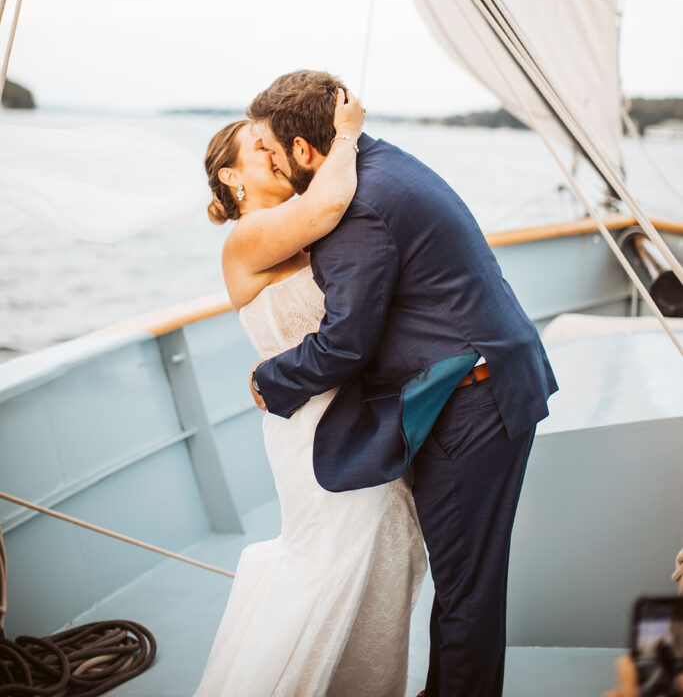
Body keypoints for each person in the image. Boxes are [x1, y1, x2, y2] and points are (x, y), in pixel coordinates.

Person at [248, 69, 559, 697]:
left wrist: (269, 378)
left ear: (305, 152)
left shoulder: (356, 209)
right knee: (466, 578)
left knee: (467, 588)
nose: (269, 165)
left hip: (474, 401)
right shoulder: (383, 163)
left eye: (270, 153)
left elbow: (346, 341)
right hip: (486, 380)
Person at [193, 88, 427, 697]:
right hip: (312, 424)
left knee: (384, 554)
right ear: (230, 175)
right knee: (331, 563)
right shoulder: (249, 237)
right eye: (258, 147)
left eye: (273, 144)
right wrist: (346, 132)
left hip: (358, 413)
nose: (272, 154)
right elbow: (326, 207)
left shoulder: (297, 228)